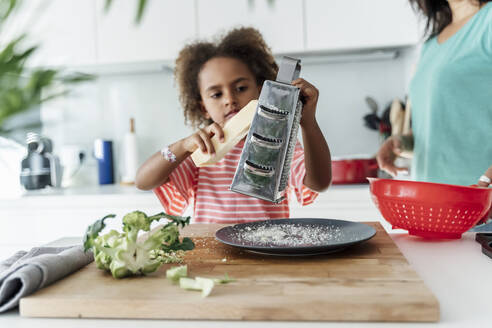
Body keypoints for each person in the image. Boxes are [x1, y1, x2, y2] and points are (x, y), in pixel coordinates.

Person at [135, 27, 332, 223]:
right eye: (216, 94)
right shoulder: (201, 149)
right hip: (213, 250)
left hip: (267, 249)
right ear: (203, 107)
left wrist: (307, 122)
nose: (230, 99)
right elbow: (143, 181)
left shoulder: (278, 141)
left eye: (240, 88)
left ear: (262, 91)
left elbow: (318, 183)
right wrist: (182, 146)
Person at [377, 0, 492, 188]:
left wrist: (488, 180)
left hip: (481, 204)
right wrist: (401, 142)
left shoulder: (488, 19)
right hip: (435, 201)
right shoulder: (431, 45)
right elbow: (443, 127)